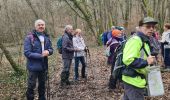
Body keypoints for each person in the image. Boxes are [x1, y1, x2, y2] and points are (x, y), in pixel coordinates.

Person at [122, 17, 157, 100]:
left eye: (153, 27)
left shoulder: (144, 40)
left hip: (135, 80)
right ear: (140, 27)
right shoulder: (136, 40)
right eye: (148, 26)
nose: (151, 29)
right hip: (133, 81)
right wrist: (146, 62)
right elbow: (128, 59)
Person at [24, 19, 53, 100]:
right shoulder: (29, 37)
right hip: (33, 67)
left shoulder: (46, 37)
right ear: (35, 26)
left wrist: (48, 51)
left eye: (42, 25)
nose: (41, 26)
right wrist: (40, 55)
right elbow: (27, 53)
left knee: (42, 85)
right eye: (39, 25)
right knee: (31, 86)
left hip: (44, 66)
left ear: (44, 26)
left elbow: (51, 49)